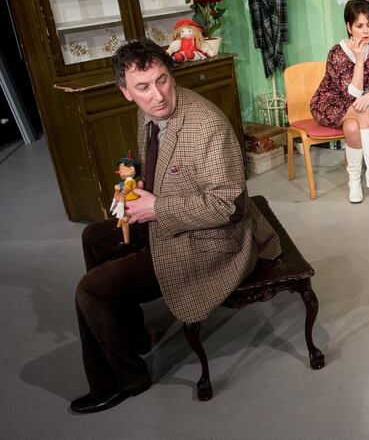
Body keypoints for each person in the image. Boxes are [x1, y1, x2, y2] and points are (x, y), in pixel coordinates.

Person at [70, 38, 282, 414]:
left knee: (90, 290)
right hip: (172, 215)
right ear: (125, 92)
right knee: (93, 238)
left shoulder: (207, 126)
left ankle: (122, 380)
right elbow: (160, 167)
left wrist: (156, 208)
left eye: (163, 80)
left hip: (212, 240)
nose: (158, 95)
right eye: (143, 87)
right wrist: (134, 192)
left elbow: (230, 206)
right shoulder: (148, 114)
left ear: (171, 74)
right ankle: (130, 335)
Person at [310, 0, 369, 204]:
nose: (365, 30)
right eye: (359, 26)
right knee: (364, 111)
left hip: (354, 107)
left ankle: (355, 182)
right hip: (327, 104)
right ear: (349, 27)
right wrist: (359, 60)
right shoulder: (337, 53)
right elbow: (352, 94)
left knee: (352, 127)